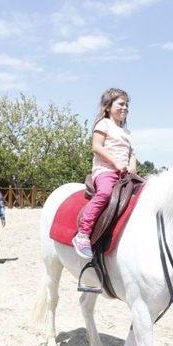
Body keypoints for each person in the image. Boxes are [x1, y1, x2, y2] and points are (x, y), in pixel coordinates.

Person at [72, 88, 137, 259]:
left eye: (127, 105)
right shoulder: (104, 124)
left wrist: (132, 165)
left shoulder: (126, 132)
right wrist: (116, 162)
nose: (125, 108)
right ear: (108, 107)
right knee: (105, 193)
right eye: (121, 104)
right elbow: (97, 147)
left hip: (124, 175)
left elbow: (131, 153)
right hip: (105, 171)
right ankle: (83, 234)